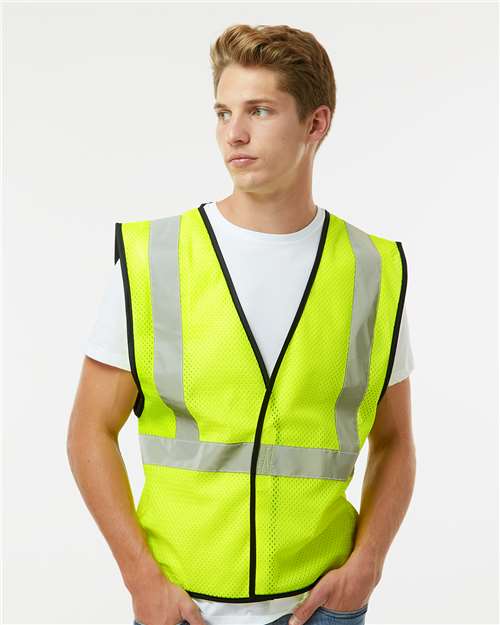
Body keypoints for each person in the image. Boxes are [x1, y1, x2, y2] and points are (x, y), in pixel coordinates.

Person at [67, 23, 416, 625]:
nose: (235, 133)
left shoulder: (372, 269)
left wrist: (369, 563)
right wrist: (141, 580)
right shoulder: (155, 258)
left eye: (260, 110)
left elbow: (396, 441)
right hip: (183, 607)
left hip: (321, 607)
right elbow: (88, 431)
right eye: (224, 112)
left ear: (315, 123)